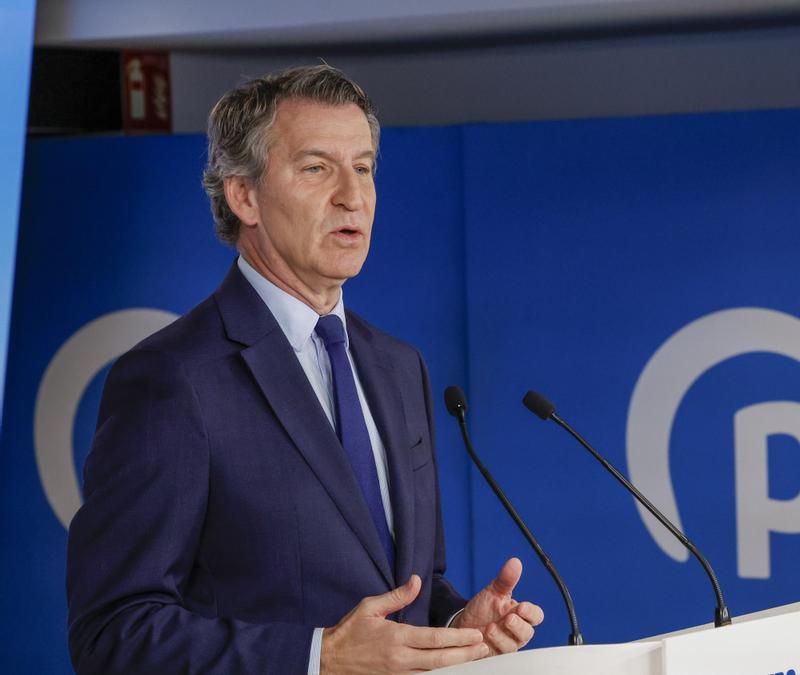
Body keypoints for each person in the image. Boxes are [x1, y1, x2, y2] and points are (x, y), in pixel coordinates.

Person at [66, 65, 543, 674]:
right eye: (317, 168)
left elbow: (408, 584)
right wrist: (318, 657)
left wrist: (453, 628)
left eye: (363, 168)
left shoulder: (399, 367)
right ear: (244, 196)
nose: (352, 195)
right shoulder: (173, 378)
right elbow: (113, 633)